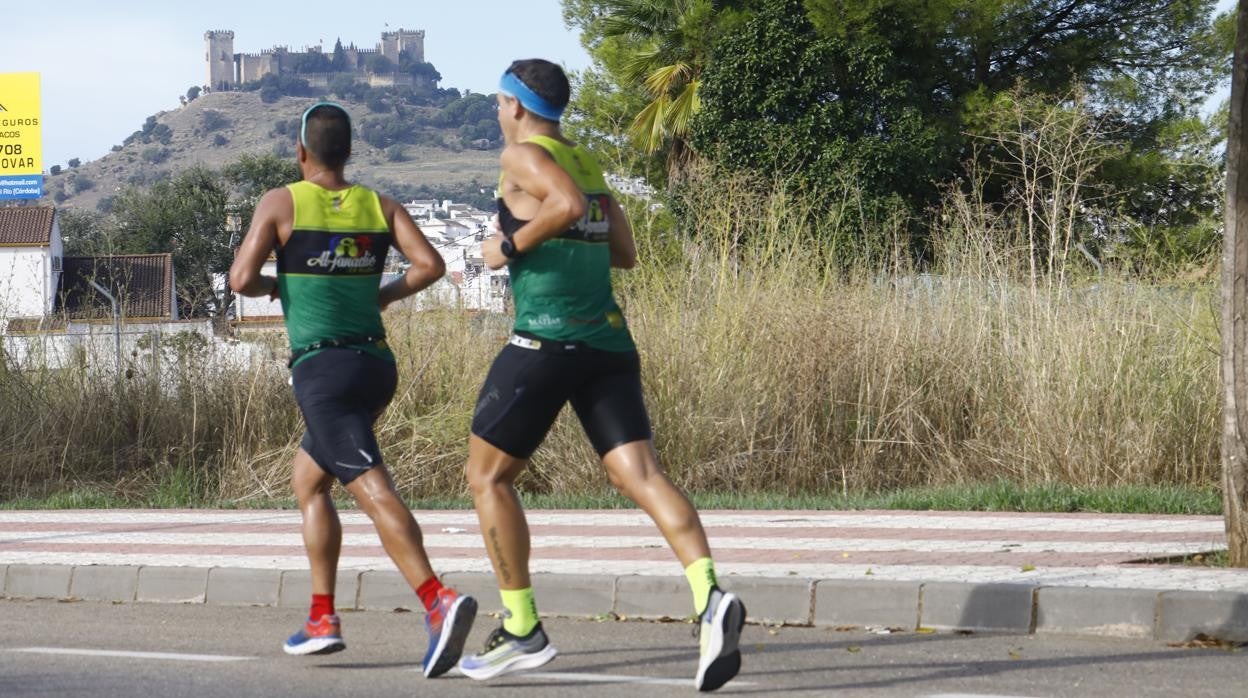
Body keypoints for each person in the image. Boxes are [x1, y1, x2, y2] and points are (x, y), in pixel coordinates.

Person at [456, 60, 746, 692]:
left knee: (486, 476)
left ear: (515, 105)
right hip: (607, 342)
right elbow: (625, 252)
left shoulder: (524, 157)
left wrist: (507, 247)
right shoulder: (584, 159)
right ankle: (710, 597)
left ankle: (523, 626)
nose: (496, 115)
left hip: (545, 340)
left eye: (497, 103)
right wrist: (564, 229)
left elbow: (562, 205)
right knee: (640, 474)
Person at [228, 102, 476, 678]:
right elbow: (430, 266)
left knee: (370, 486)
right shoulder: (379, 205)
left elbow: (241, 279)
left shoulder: (281, 201)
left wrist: (278, 284)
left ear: (301, 153)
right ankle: (321, 617)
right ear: (348, 153)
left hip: (324, 372)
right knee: (309, 481)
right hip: (374, 364)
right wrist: (380, 295)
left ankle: (438, 600)